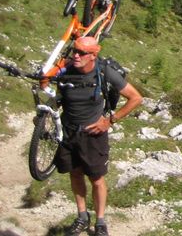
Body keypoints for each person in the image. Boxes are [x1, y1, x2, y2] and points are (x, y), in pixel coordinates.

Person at [55, 36, 142, 236]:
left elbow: (136, 97)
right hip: (68, 131)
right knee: (75, 173)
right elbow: (52, 91)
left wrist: (109, 121)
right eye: (74, 51)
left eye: (82, 53)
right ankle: (82, 216)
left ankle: (100, 221)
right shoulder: (65, 69)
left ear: (93, 55)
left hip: (93, 135)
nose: (76, 55)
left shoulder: (104, 72)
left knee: (96, 179)